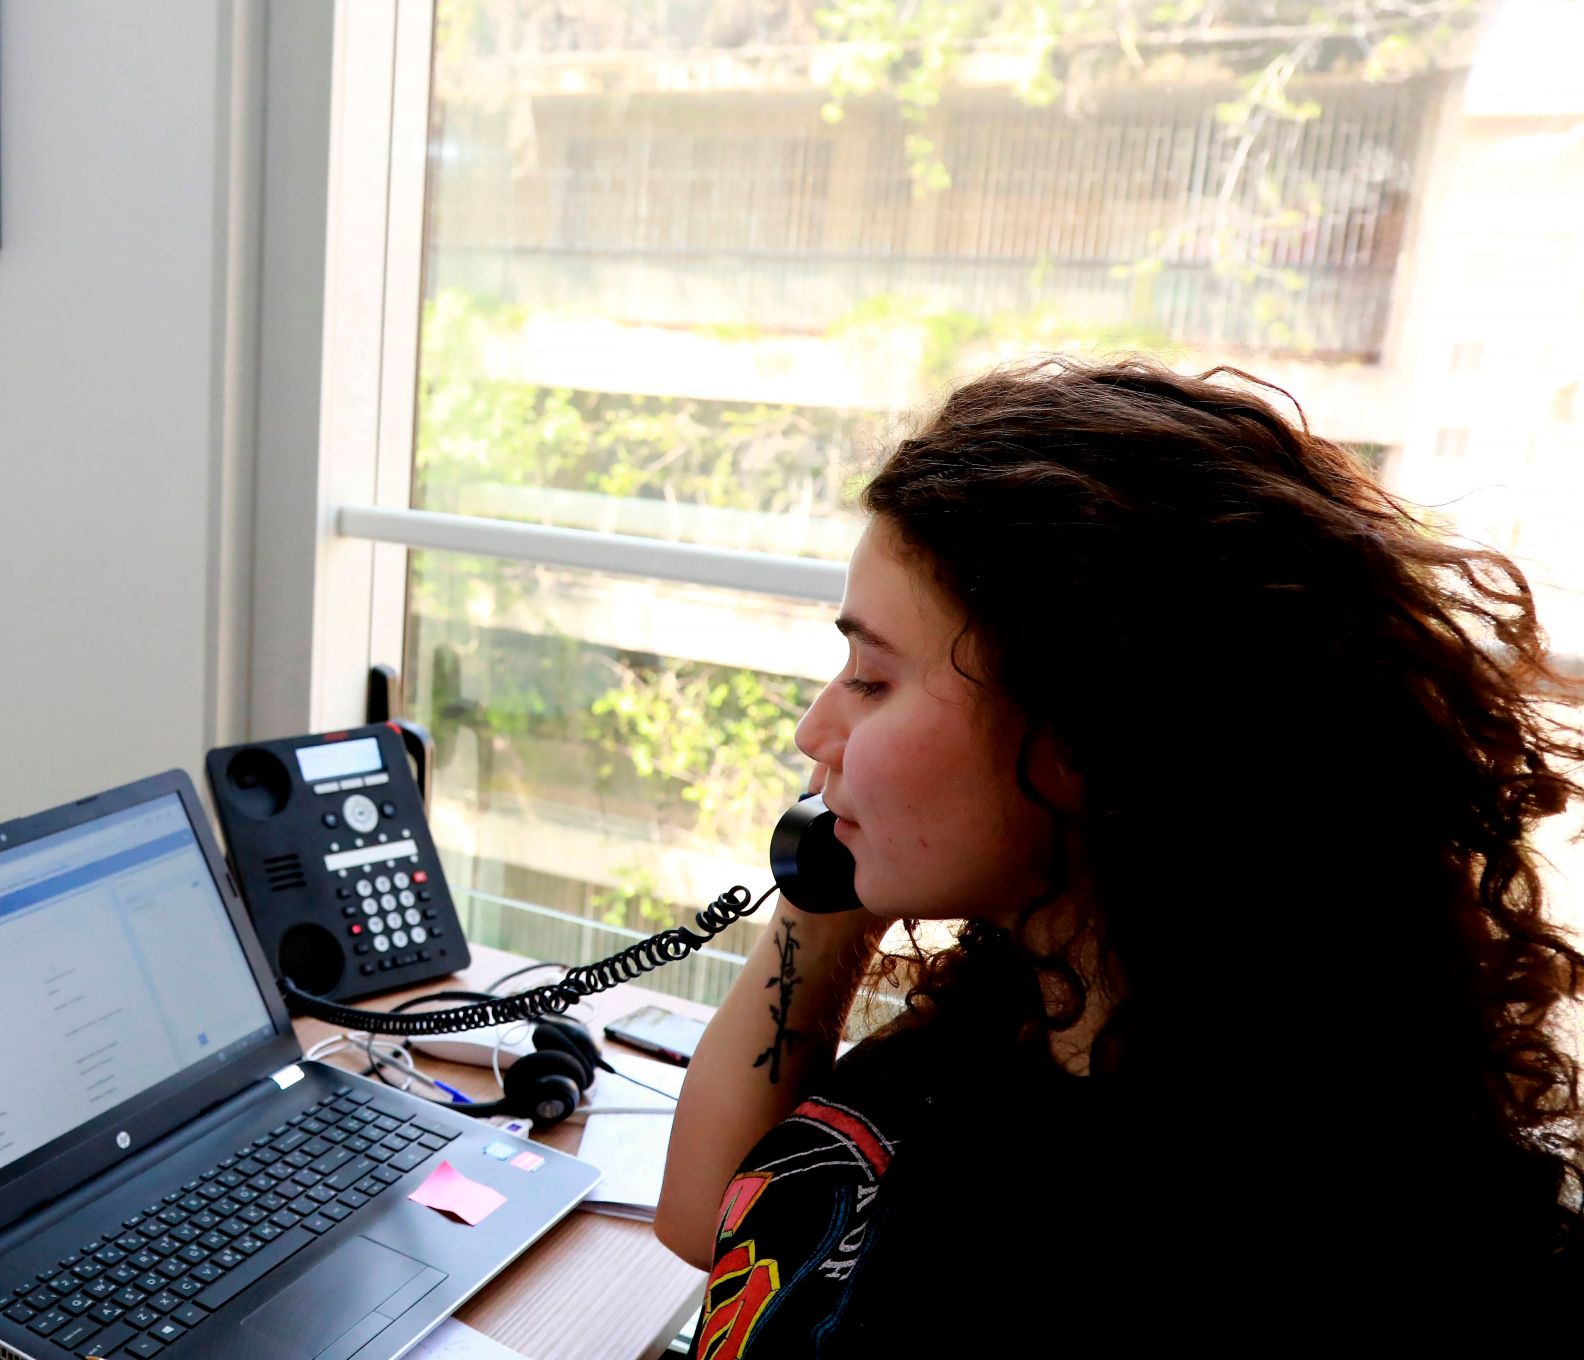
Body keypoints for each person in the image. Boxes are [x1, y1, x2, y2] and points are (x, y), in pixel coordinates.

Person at [652, 357, 1583, 1353]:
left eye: (873, 680)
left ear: (1091, 734)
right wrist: (821, 890)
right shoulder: (1026, 1003)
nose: (813, 728)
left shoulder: (1269, 1237)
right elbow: (719, 1219)